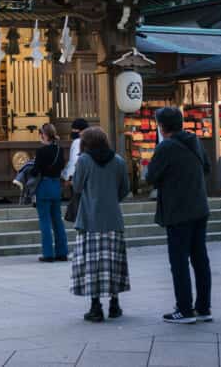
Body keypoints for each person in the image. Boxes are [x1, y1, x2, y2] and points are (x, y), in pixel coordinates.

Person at [146, 106, 212, 324]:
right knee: (200, 258)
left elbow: (151, 176)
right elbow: (207, 167)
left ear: (162, 127)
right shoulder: (195, 141)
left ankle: (184, 309)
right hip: (199, 206)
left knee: (179, 261)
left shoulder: (166, 147)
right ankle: (203, 307)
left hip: (178, 210)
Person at [70, 126, 131, 322]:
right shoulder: (119, 161)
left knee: (92, 264)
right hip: (113, 218)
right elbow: (125, 189)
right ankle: (115, 304)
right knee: (113, 262)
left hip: (89, 219)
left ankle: (95, 306)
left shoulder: (84, 161)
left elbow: (77, 187)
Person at [33, 123, 69, 262]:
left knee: (45, 221)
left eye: (40, 134)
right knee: (57, 220)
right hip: (56, 186)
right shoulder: (60, 150)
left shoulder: (41, 151)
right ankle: (62, 252)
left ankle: (48, 254)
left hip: (44, 186)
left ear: (45, 135)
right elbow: (61, 166)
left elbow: (35, 171)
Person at [63, 118, 90, 182]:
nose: (73, 131)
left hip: (76, 178)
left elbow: (74, 162)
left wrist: (67, 176)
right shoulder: (91, 140)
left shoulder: (77, 142)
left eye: (74, 129)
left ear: (82, 131)